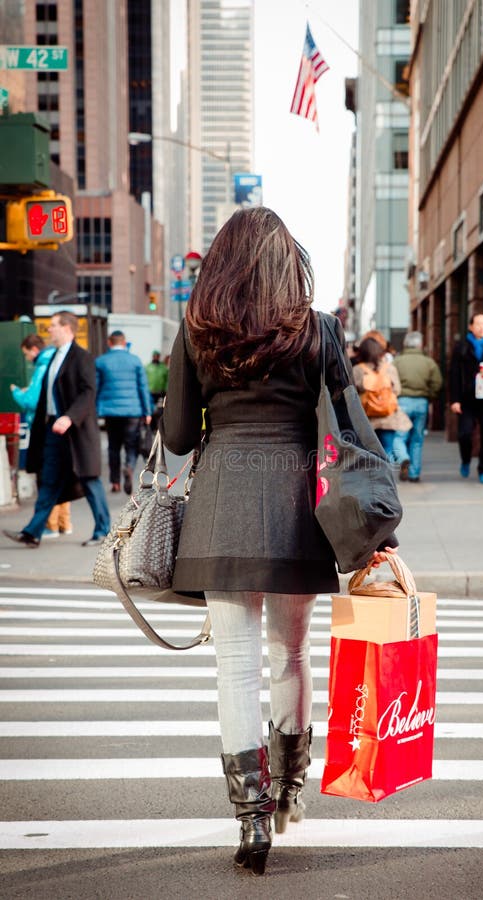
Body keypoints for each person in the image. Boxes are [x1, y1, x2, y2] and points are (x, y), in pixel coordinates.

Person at [160, 207, 398, 876]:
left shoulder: (197, 329)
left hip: (222, 511)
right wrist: (381, 526)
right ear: (287, 261)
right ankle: (290, 791)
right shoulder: (318, 331)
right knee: (290, 653)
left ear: (221, 264)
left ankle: (251, 819)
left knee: (235, 666)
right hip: (299, 508)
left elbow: (178, 437)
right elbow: (353, 433)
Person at [2, 311, 111, 549]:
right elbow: (45, 397)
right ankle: (32, 532)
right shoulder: (52, 359)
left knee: (89, 480)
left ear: (67, 329)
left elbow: (88, 392)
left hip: (75, 431)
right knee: (49, 481)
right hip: (53, 431)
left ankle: (104, 530)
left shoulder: (81, 357)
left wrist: (69, 418)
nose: (48, 330)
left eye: (53, 326)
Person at [10, 333, 72, 538]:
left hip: (44, 427)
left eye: (26, 354)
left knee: (47, 476)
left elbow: (32, 401)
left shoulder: (43, 365)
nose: (27, 358)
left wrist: (16, 392)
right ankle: (63, 523)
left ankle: (50, 525)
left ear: (34, 350)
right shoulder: (56, 360)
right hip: (60, 424)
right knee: (60, 475)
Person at [95, 330, 153, 494]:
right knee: (131, 445)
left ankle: (115, 482)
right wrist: (147, 411)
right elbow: (143, 387)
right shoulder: (135, 361)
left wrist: (95, 409)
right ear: (124, 342)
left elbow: (95, 388)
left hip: (110, 412)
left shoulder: (101, 362)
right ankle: (129, 468)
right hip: (133, 411)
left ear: (109, 342)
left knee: (113, 446)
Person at [449, 313, 483, 484]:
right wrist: (455, 400)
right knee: (465, 434)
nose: (482, 327)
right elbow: (454, 375)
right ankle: (465, 460)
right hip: (467, 399)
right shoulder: (461, 347)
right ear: (470, 327)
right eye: (478, 324)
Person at [352, 336, 411, 469]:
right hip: (387, 417)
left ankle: (371, 479)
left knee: (367, 450)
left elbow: (352, 394)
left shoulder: (357, 369)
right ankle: (386, 480)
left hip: (366, 418)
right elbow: (397, 390)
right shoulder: (389, 368)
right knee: (387, 449)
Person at [393, 331, 443, 482]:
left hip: (402, 402)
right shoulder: (429, 362)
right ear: (420, 344)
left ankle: (403, 457)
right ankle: (414, 473)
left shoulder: (397, 362)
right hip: (421, 402)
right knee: (417, 438)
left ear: (405, 344)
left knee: (400, 436)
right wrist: (430, 395)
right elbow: (437, 383)